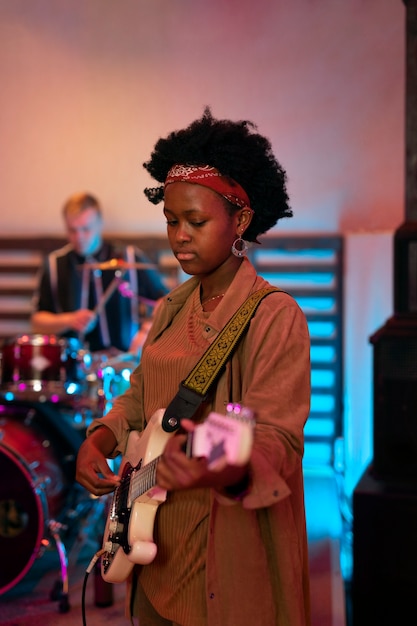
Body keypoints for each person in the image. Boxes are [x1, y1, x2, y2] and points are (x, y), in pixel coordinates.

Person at [76, 109, 312, 625]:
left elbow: (277, 435)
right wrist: (101, 439)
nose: (180, 235)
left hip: (224, 562)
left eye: (197, 222)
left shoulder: (274, 316)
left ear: (240, 221)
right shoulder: (169, 309)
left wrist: (223, 465)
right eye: (171, 220)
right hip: (156, 556)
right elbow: (138, 400)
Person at [31, 192, 168, 356]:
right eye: (72, 230)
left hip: (125, 362)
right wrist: (69, 320)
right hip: (73, 364)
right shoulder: (54, 264)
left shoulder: (130, 257)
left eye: (86, 229)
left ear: (100, 223)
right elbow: (37, 321)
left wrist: (146, 332)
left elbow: (166, 301)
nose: (79, 237)